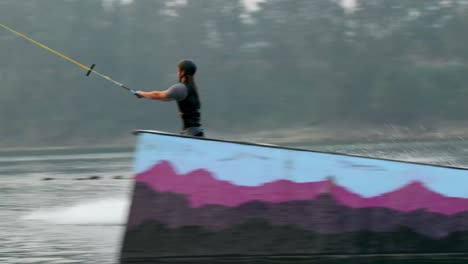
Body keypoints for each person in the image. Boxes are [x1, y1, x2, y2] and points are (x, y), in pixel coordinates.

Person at [131, 60, 204, 137]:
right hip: (197, 132)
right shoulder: (192, 90)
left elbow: (157, 94)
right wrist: (145, 95)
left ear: (182, 72)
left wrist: (142, 93)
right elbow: (165, 98)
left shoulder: (181, 88)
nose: (177, 73)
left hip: (191, 133)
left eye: (178, 70)